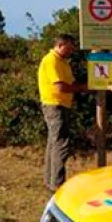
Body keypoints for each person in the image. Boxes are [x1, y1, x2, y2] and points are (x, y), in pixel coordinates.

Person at [38, 34, 87, 192]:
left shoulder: (62, 62)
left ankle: (50, 181)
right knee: (61, 144)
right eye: (70, 47)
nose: (72, 51)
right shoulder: (51, 60)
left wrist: (87, 86)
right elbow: (60, 86)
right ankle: (57, 184)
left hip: (61, 105)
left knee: (54, 143)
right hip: (54, 105)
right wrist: (81, 88)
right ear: (61, 45)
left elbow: (71, 82)